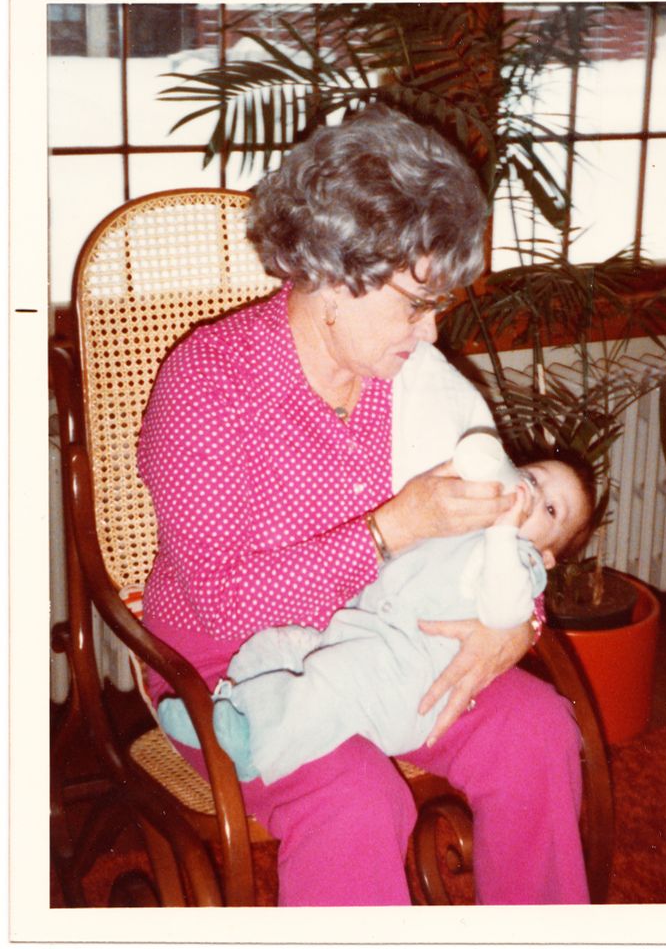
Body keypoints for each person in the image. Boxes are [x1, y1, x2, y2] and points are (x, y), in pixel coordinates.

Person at [137, 104, 591, 905]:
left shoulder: (415, 384)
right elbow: (219, 600)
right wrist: (391, 528)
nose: (428, 330)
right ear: (328, 272)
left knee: (537, 732)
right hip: (235, 669)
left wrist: (513, 627)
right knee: (354, 798)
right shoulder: (206, 387)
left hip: (394, 639)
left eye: (438, 305)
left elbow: (500, 528)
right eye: (412, 303)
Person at [156, 432, 595, 785]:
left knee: (329, 686)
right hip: (357, 630)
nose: (533, 498)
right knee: (280, 648)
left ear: (549, 555)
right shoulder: (472, 517)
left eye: (551, 510)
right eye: (534, 480)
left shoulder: (521, 560)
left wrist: (505, 542)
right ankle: (228, 703)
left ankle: (252, 742)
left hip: (405, 676)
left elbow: (507, 605)